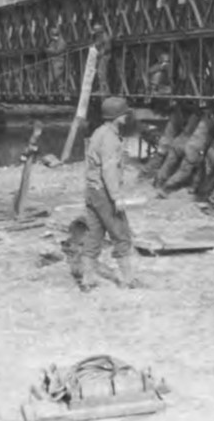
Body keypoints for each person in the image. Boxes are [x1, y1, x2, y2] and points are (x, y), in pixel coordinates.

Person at [80, 97, 142, 291]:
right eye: (124, 113)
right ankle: (128, 280)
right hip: (105, 193)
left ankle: (87, 280)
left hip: (93, 190)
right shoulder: (110, 138)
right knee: (121, 234)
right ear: (117, 117)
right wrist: (116, 197)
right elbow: (109, 169)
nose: (126, 116)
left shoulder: (99, 132)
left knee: (94, 235)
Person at [158, 111, 214, 195]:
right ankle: (167, 187)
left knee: (196, 167)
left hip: (187, 143)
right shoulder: (210, 122)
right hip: (195, 148)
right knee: (185, 170)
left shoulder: (199, 119)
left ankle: (160, 181)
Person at [154, 112, 199, 187]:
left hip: (178, 140)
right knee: (186, 168)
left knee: (169, 163)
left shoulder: (192, 116)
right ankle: (169, 186)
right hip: (186, 143)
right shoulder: (201, 120)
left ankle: (159, 180)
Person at [141, 107, 183, 180]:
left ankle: (144, 173)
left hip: (166, 140)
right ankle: (144, 174)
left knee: (159, 158)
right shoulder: (177, 116)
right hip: (166, 142)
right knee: (159, 158)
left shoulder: (176, 115)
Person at [45, 26, 67, 94]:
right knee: (54, 78)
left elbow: (57, 51)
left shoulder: (62, 42)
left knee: (56, 77)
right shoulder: (52, 42)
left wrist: (47, 50)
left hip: (59, 61)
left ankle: (61, 91)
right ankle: (57, 91)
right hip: (52, 62)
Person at [92, 23, 113, 95]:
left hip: (104, 57)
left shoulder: (104, 37)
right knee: (99, 73)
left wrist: (100, 53)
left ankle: (104, 90)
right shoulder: (99, 37)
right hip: (101, 57)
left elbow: (107, 48)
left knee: (101, 73)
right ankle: (102, 89)